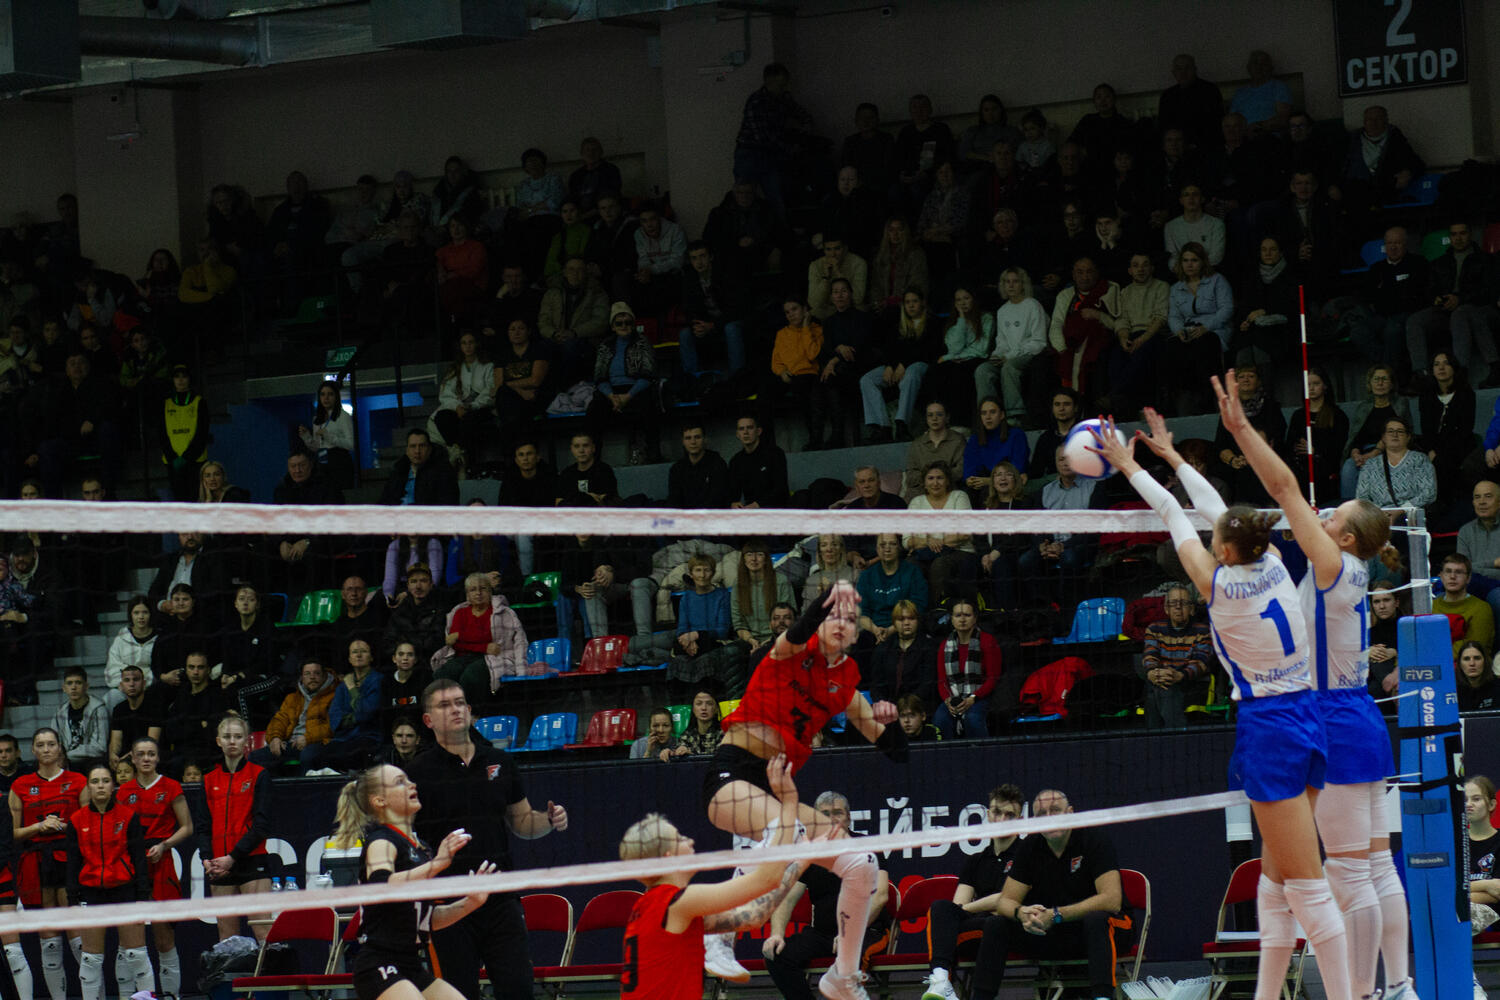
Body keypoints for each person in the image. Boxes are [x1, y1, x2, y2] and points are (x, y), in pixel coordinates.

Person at [1089, 413, 1354, 1000]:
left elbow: (1173, 512)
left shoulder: (1218, 585)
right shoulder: (1273, 561)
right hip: (1307, 714)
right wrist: (1175, 457)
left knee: (1307, 887)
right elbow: (1214, 508)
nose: (1209, 541)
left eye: (1216, 541)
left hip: (1272, 729)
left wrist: (1130, 465)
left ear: (1226, 549)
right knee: (1275, 880)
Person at [1217, 371, 1412, 1000]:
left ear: (1346, 537)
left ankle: (1362, 993)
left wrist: (1242, 431)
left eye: (1332, 516)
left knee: (1349, 875)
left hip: (1328, 716)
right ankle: (1397, 986)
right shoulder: (1347, 567)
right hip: (1359, 715)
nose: (1322, 516)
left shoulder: (1332, 564)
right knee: (1375, 867)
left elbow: (1282, 486)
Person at [701, 582, 906, 997]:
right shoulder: (791, 651)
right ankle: (719, 933)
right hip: (732, 772)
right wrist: (832, 593)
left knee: (861, 861)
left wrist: (893, 721)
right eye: (835, 617)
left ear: (856, 634)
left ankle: (842, 974)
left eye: (850, 620)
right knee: (789, 831)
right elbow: (799, 628)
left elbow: (896, 752)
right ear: (822, 622)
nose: (842, 624)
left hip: (776, 786)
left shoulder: (846, 685)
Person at [404, 679, 567, 1000]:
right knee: (458, 995)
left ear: (469, 710)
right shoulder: (417, 773)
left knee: (518, 991)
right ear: (428, 720)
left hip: (500, 899)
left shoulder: (501, 762)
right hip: (448, 904)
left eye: (459, 702)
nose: (455, 709)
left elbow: (523, 823)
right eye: (444, 705)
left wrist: (548, 820)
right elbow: (407, 840)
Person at [620, 758, 811, 1000]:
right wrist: (789, 804)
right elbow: (766, 879)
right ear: (669, 856)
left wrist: (802, 862)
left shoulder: (650, 906)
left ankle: (717, 942)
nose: (690, 841)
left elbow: (754, 916)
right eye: (680, 838)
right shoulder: (680, 902)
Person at [330, 764, 497, 1000]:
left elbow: (427, 920)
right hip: (379, 962)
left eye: (409, 779)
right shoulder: (381, 841)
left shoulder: (421, 849)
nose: (412, 785)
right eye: (400, 782)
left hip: (411, 964)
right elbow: (383, 885)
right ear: (379, 800)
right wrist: (437, 864)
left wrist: (470, 903)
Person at [963, 790, 1131, 1000]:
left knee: (1096, 920)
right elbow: (1005, 901)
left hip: (1104, 931)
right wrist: (1022, 913)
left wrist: (1057, 914)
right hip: (1054, 933)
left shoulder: (1094, 840)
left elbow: (1112, 901)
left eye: (1055, 811)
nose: (1049, 818)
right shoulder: (1030, 847)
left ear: (1070, 813)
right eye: (1042, 814)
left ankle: (1103, 997)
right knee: (997, 924)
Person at [762, 791, 892, 1000]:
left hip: (865, 931)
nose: (831, 819)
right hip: (822, 934)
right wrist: (777, 934)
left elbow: (880, 896)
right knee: (777, 955)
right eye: (824, 814)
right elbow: (786, 898)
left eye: (837, 813)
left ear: (848, 818)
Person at [921, 785, 1026, 1000]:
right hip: (976, 928)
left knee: (995, 923)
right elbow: (957, 905)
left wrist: (966, 909)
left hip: (1012, 929)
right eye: (997, 812)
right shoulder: (976, 860)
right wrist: (965, 910)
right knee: (940, 907)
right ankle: (941, 981)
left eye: (1009, 815)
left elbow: (1005, 900)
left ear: (1020, 819)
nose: (1002, 820)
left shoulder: (1027, 854)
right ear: (988, 814)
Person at [9, 728, 85, 1000]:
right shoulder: (20, 785)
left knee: (79, 938)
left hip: (70, 861)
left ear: (59, 748)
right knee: (49, 941)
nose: (46, 749)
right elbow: (11, 833)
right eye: (40, 744)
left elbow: (89, 825)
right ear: (33, 750)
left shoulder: (78, 781)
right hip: (36, 863)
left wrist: (64, 826)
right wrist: (39, 826)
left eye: (51, 744)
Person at [66, 763, 153, 1000]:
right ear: (88, 787)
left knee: (136, 955)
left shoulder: (128, 816)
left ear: (113, 785)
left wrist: (142, 895)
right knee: (91, 960)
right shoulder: (76, 820)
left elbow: (139, 859)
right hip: (91, 893)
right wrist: (73, 899)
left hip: (125, 891)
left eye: (105, 781)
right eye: (95, 782)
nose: (101, 786)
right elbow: (73, 863)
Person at [119, 736, 190, 999]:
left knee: (164, 939)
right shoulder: (123, 791)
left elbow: (187, 827)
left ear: (158, 757)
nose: (146, 758)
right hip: (131, 866)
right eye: (141, 754)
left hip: (162, 863)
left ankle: (171, 996)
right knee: (129, 942)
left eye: (151, 753)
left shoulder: (171, 786)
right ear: (133, 758)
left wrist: (164, 845)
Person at [197, 714, 274, 941]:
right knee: (227, 937)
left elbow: (262, 826)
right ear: (218, 741)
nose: (232, 741)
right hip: (219, 864)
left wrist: (233, 857)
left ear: (247, 741)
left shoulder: (259, 775)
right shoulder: (209, 780)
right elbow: (203, 825)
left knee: (262, 930)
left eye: (238, 737)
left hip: (252, 860)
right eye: (227, 736)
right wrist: (206, 858)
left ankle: (269, 967)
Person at [1408, 223, 1500, 388]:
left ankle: (1459, 374)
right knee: (1415, 321)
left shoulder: (1486, 260)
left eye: (1462, 233)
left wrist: (1460, 299)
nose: (1458, 238)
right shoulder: (1439, 263)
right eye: (1454, 234)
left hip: (1477, 308)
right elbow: (1429, 290)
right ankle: (1421, 375)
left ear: (1470, 234)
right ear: (1450, 237)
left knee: (1461, 313)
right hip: (1446, 310)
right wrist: (1437, 299)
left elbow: (1489, 291)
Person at [429, 573, 526, 709]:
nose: (478, 593)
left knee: (470, 676)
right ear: (467, 594)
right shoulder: (459, 612)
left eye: (483, 588)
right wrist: (484, 647)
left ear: (490, 591)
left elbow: (518, 642)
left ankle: (474, 713)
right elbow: (455, 643)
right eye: (473, 589)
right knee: (442, 675)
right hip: (464, 656)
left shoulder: (504, 613)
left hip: (494, 657)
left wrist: (461, 636)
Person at [1352, 227, 1430, 382]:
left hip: (1408, 315)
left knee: (1392, 331)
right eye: (1389, 243)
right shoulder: (1376, 269)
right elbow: (1367, 296)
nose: (1393, 247)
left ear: (1405, 244)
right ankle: (1386, 369)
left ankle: (1387, 378)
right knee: (1358, 332)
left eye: (1397, 243)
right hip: (1381, 316)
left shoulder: (1418, 263)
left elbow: (1416, 296)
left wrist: (1388, 297)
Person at [1165, 242, 1234, 415]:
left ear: (1202, 262)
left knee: (1204, 344)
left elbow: (1227, 309)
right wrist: (1179, 331)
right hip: (1189, 331)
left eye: (1194, 260)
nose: (1189, 264)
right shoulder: (1176, 288)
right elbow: (1174, 316)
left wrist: (1206, 327)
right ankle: (1178, 403)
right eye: (1185, 260)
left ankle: (1206, 399)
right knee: (1172, 347)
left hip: (1214, 330)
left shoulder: (1217, 280)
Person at [1138, 585, 1215, 728]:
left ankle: (1155, 736)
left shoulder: (1203, 631)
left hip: (1191, 683)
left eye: (1183, 603)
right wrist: (1152, 672)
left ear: (1192, 609)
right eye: (1173, 603)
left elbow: (1201, 662)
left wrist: (1179, 675)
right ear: (1166, 609)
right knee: (1160, 688)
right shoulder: (1154, 629)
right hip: (1161, 680)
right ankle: (1175, 733)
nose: (1178, 607)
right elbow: (1150, 655)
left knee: (1159, 691)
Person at [980, 268, 1047, 424]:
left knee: (1009, 367)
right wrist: (997, 355)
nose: (1011, 285)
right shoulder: (1002, 310)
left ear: (1023, 284)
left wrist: (1009, 356)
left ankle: (1014, 415)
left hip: (1030, 354)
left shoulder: (1032, 305)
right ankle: (987, 413)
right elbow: (1002, 341)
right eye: (1007, 282)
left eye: (1015, 281)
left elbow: (1038, 341)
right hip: (1006, 355)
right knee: (983, 370)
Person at [904, 462, 978, 605]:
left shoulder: (959, 496)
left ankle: (938, 610)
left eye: (940, 478)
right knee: (910, 564)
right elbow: (907, 541)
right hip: (925, 553)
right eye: (930, 478)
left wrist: (935, 541)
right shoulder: (916, 503)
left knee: (940, 565)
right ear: (924, 483)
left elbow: (965, 533)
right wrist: (928, 542)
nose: (935, 483)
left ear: (948, 481)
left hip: (960, 552)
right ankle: (916, 609)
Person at [1049, 257, 1120, 398]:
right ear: (1073, 275)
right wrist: (1062, 349)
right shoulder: (1065, 295)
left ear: (1097, 273)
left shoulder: (1109, 291)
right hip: (1070, 346)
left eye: (1089, 272)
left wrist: (1099, 315)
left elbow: (1117, 324)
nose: (1084, 277)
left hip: (1100, 345)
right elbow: (1056, 324)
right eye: (1080, 272)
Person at [933, 599, 1002, 738]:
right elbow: (942, 680)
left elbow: (993, 678)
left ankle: (980, 750)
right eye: (958, 615)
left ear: (975, 618)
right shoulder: (945, 645)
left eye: (967, 615)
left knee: (973, 718)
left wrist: (973, 698)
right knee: (940, 719)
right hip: (954, 696)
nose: (962, 619)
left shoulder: (988, 641)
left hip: (981, 695)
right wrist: (947, 700)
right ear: (952, 619)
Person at [255, 659, 336, 776]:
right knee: (255, 757)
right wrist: (275, 738)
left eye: (317, 673)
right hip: (291, 743)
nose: (312, 677)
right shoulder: (292, 698)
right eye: (307, 673)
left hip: (318, 743)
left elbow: (332, 725)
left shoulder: (334, 695)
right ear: (301, 677)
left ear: (324, 676)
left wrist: (307, 738)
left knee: (308, 756)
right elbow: (279, 720)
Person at [1284, 367, 1349, 508]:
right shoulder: (1298, 415)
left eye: (1316, 384)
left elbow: (1338, 448)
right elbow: (1290, 445)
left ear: (1325, 386)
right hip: (1300, 468)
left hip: (1325, 470)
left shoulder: (1337, 415)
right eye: (1308, 384)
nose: (1311, 388)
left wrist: (1315, 450)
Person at [429, 332, 494, 467]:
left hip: (480, 408)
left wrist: (473, 406)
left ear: (476, 344)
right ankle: (458, 451)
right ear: (460, 347)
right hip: (459, 408)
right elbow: (446, 393)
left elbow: (489, 391)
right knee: (442, 417)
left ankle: (467, 459)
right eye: (464, 343)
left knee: (468, 421)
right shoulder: (455, 368)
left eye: (471, 342)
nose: (468, 346)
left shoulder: (488, 366)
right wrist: (457, 406)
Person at [856, 534, 930, 644]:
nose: (887, 549)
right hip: (873, 631)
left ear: (899, 547)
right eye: (882, 545)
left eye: (892, 544)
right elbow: (862, 612)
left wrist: (890, 630)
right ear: (877, 549)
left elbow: (918, 608)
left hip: (905, 629)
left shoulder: (913, 572)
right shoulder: (866, 576)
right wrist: (876, 631)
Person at [1354, 416, 1436, 513]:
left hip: (1410, 514)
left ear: (1408, 437)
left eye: (1400, 431)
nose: (1395, 435)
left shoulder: (1420, 460)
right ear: (1383, 438)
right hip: (1379, 516)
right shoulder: (1370, 465)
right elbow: (1362, 497)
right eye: (1390, 431)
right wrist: (1380, 514)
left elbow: (1429, 493)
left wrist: (1401, 510)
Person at [730, 540, 795, 656]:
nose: (754, 559)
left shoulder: (781, 581)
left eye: (759, 554)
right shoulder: (738, 584)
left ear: (766, 560)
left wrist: (770, 641)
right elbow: (738, 624)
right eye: (749, 554)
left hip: (778, 638)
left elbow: (789, 618)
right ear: (743, 560)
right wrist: (751, 641)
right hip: (749, 640)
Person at [296, 380, 355, 489]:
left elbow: (351, 444)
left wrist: (329, 436)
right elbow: (316, 446)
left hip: (339, 460)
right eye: (322, 394)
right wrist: (306, 436)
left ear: (336, 397)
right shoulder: (317, 419)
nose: (326, 398)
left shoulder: (343, 416)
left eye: (330, 394)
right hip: (322, 460)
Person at [1435, 554, 1496, 659]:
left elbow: (1474, 648)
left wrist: (1434, 652)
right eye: (1448, 571)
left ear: (1468, 578)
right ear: (1441, 576)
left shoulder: (1481, 608)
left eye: (1458, 572)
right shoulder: (1431, 605)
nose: (1452, 576)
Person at [380, 428, 460, 507]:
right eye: (413, 446)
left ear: (429, 449)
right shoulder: (399, 471)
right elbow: (384, 501)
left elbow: (448, 503)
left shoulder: (443, 472)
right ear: (407, 450)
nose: (417, 451)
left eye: (422, 446)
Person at [51, 665, 109, 765]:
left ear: (86, 686)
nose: (74, 687)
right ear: (64, 688)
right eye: (69, 683)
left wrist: (67, 756)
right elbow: (54, 741)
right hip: (66, 762)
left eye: (78, 683)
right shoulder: (60, 712)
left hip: (91, 762)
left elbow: (100, 747)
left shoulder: (98, 709)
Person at [1460, 481, 1500, 623]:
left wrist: (1473, 567)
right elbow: (1461, 569)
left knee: (1497, 599)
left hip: (1497, 586)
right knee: (1441, 598)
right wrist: (1494, 564)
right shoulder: (1465, 531)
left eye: (1488, 496)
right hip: (1471, 584)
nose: (1482, 502)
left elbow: (1466, 568)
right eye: (1477, 497)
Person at [728, 414, 788, 509]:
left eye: (750, 428)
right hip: (751, 511)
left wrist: (758, 504)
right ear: (737, 434)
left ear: (759, 431)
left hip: (776, 509)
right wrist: (733, 503)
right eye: (741, 429)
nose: (745, 432)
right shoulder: (736, 461)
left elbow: (780, 488)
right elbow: (733, 492)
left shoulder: (775, 454)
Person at [107, 666, 161, 767]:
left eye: (136, 680)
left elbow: (151, 743)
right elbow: (115, 741)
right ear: (121, 685)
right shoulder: (119, 709)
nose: (131, 684)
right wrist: (113, 755)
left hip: (148, 757)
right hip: (125, 760)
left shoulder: (155, 707)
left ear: (144, 683)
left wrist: (125, 760)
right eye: (127, 680)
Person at [1456, 642, 1497, 713]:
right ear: (1460, 664)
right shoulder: (1453, 690)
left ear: (1485, 661)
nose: (1472, 663)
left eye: (1477, 658)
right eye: (1466, 659)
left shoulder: (1497, 687)